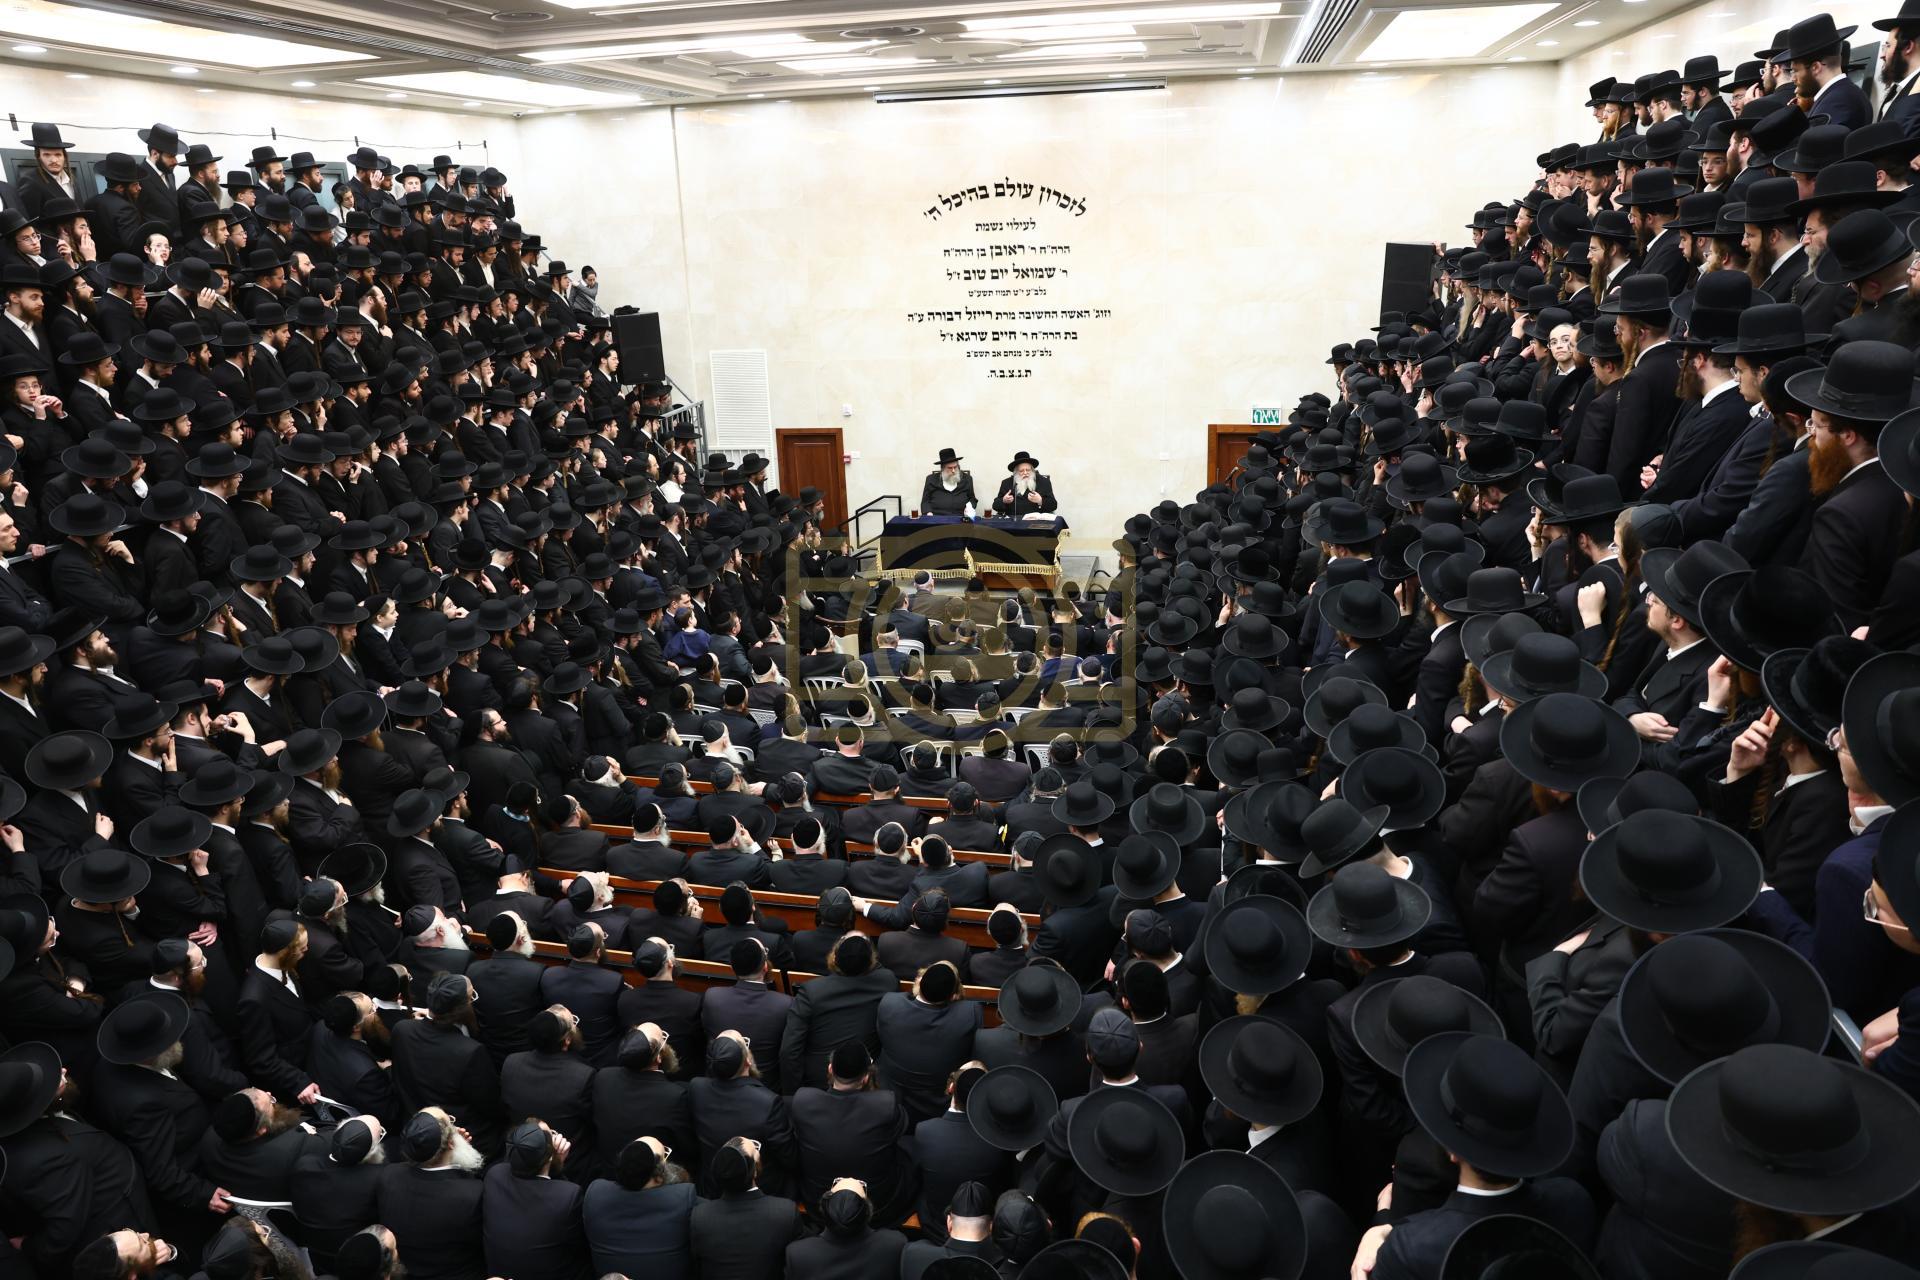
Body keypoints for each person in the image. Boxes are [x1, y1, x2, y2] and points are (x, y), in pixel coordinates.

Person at [920, 447, 976, 516]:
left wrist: (969, 507)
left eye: (955, 467)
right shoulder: (931, 479)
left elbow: (972, 499)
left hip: (960, 518)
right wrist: (928, 513)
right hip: (937, 518)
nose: (953, 471)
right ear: (942, 468)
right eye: (950, 468)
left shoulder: (967, 479)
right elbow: (925, 502)